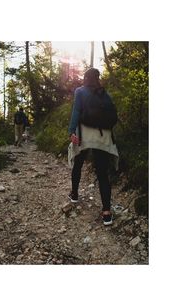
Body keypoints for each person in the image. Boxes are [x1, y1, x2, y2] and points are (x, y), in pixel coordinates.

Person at [68, 68, 119, 225]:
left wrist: (71, 131)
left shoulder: (80, 91)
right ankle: (106, 213)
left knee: (78, 163)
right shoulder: (105, 94)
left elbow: (76, 111)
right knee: (102, 173)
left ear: (85, 78)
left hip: (84, 135)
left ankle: (75, 194)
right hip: (102, 137)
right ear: (98, 78)